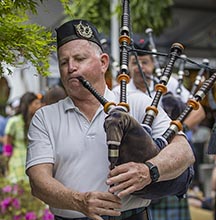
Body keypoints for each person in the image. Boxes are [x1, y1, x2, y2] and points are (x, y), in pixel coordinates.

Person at [25, 19, 195, 220]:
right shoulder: (45, 117)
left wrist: (148, 171)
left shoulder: (138, 103)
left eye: (80, 59)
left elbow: (184, 152)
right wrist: (78, 201)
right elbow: (38, 181)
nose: (71, 67)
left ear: (103, 62)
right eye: (64, 62)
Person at [112, 36, 205, 220]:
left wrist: (176, 130)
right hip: (138, 174)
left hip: (170, 167)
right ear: (129, 66)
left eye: (145, 62)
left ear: (153, 64)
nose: (140, 67)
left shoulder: (167, 84)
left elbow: (199, 111)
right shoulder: (119, 93)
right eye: (134, 62)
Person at [3, 92, 42, 183]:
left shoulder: (37, 122)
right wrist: (7, 162)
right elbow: (7, 143)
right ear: (28, 105)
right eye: (36, 103)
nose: (39, 106)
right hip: (17, 162)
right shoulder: (14, 122)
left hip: (34, 161)